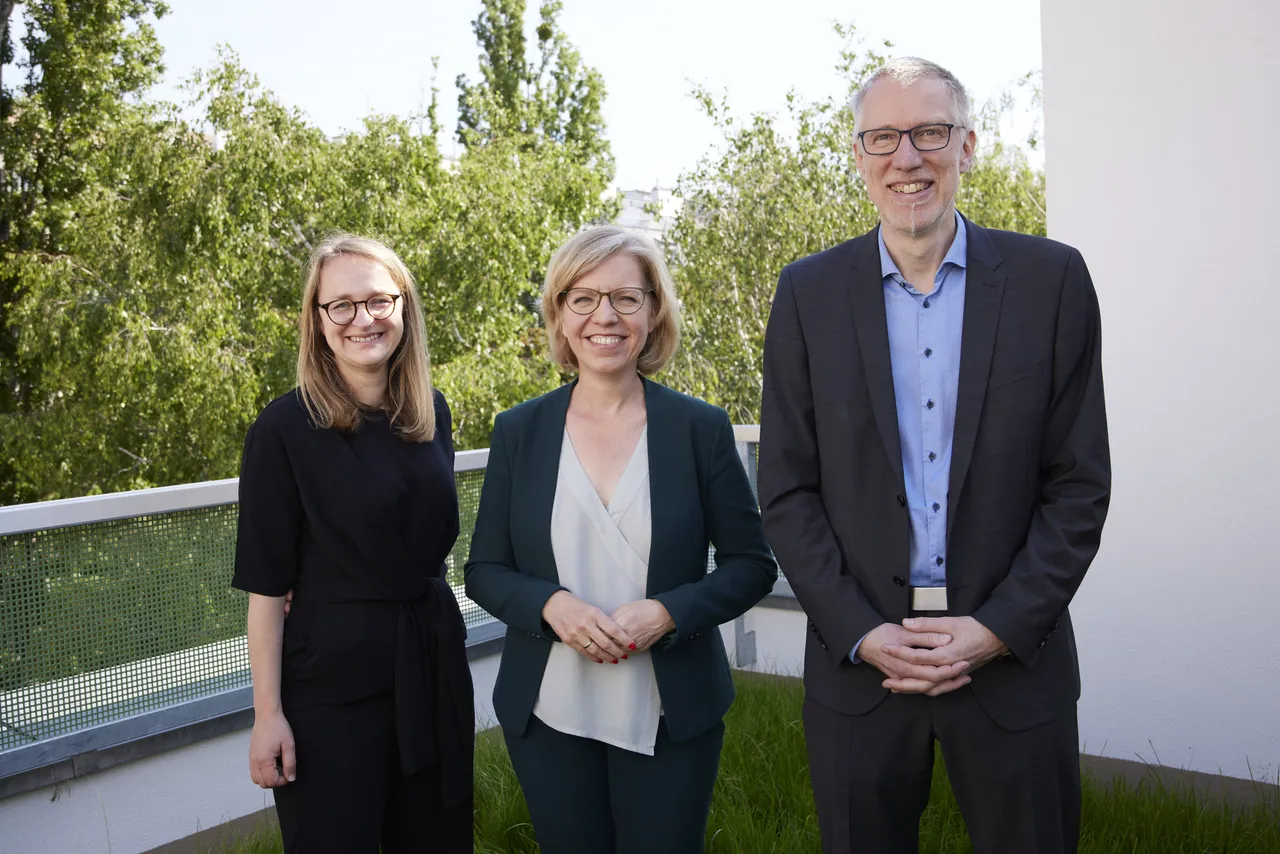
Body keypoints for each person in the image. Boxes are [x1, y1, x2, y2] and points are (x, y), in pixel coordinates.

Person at [759, 57, 1110, 854]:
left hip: (1013, 661)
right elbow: (787, 489)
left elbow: (1079, 485)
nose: (906, 157)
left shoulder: (1050, 281)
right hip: (862, 669)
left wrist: (993, 629)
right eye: (883, 137)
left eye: (929, 133)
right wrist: (858, 628)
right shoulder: (806, 294)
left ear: (969, 146)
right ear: (858, 156)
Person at [464, 225, 777, 854]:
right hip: (549, 705)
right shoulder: (519, 431)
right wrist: (554, 606)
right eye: (582, 298)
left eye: (626, 298)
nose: (604, 316)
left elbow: (751, 565)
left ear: (654, 311)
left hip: (671, 705)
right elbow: (485, 570)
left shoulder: (700, 429)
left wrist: (669, 613)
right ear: (559, 311)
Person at [232, 234, 473, 853]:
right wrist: (267, 717)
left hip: (430, 668)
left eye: (377, 301)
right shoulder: (283, 428)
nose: (362, 319)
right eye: (340, 305)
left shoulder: (431, 412)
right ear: (316, 321)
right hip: (329, 694)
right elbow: (265, 588)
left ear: (404, 308)